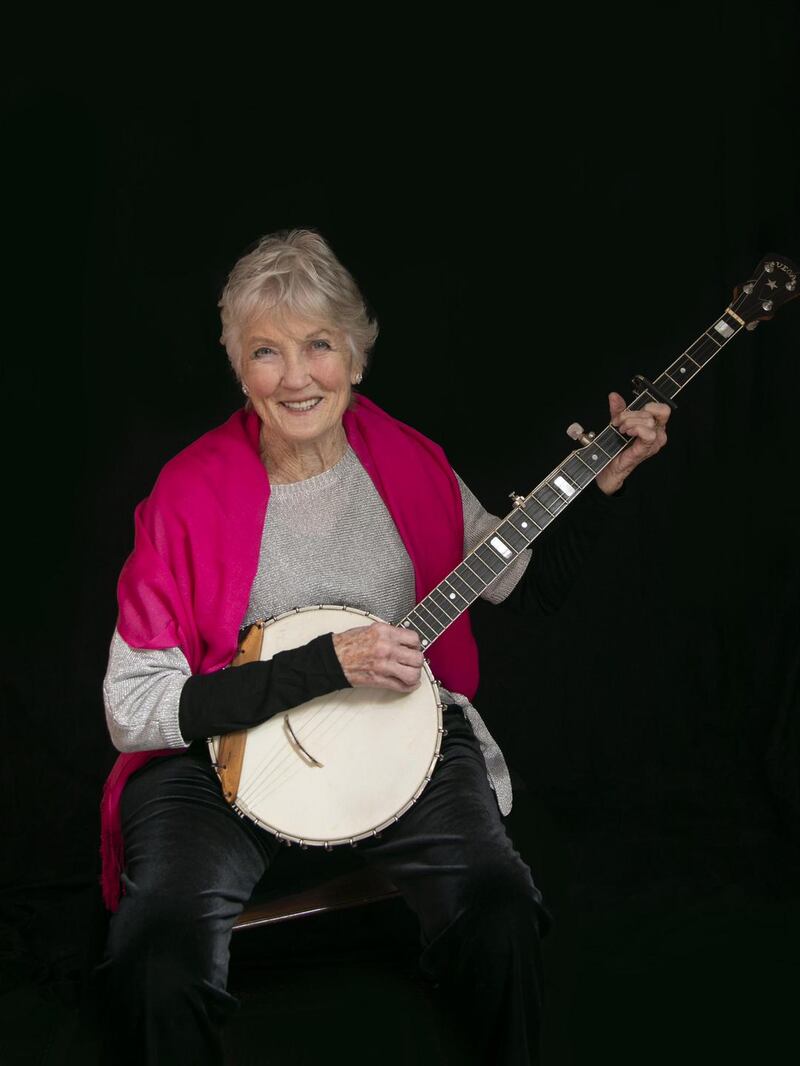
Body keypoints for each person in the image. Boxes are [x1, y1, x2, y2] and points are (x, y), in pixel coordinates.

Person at [97, 229, 670, 1065]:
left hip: (400, 733)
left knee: (501, 905)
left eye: (318, 345)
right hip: (221, 760)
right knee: (157, 953)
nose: (295, 377)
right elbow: (133, 707)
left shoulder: (410, 463)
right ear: (239, 368)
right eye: (266, 352)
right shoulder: (185, 496)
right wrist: (327, 663)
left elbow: (525, 583)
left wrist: (604, 490)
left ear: (356, 357)